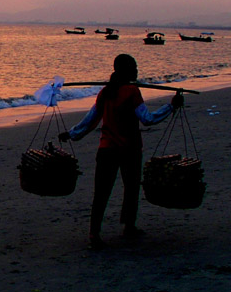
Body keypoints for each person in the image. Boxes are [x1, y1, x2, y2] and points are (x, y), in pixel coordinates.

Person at [59, 54, 183, 250]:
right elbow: (147, 119)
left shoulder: (105, 92)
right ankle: (128, 226)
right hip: (129, 150)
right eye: (133, 67)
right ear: (126, 71)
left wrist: (72, 134)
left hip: (107, 149)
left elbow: (91, 120)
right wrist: (171, 106)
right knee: (131, 188)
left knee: (102, 191)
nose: (136, 70)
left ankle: (95, 233)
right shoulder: (131, 92)